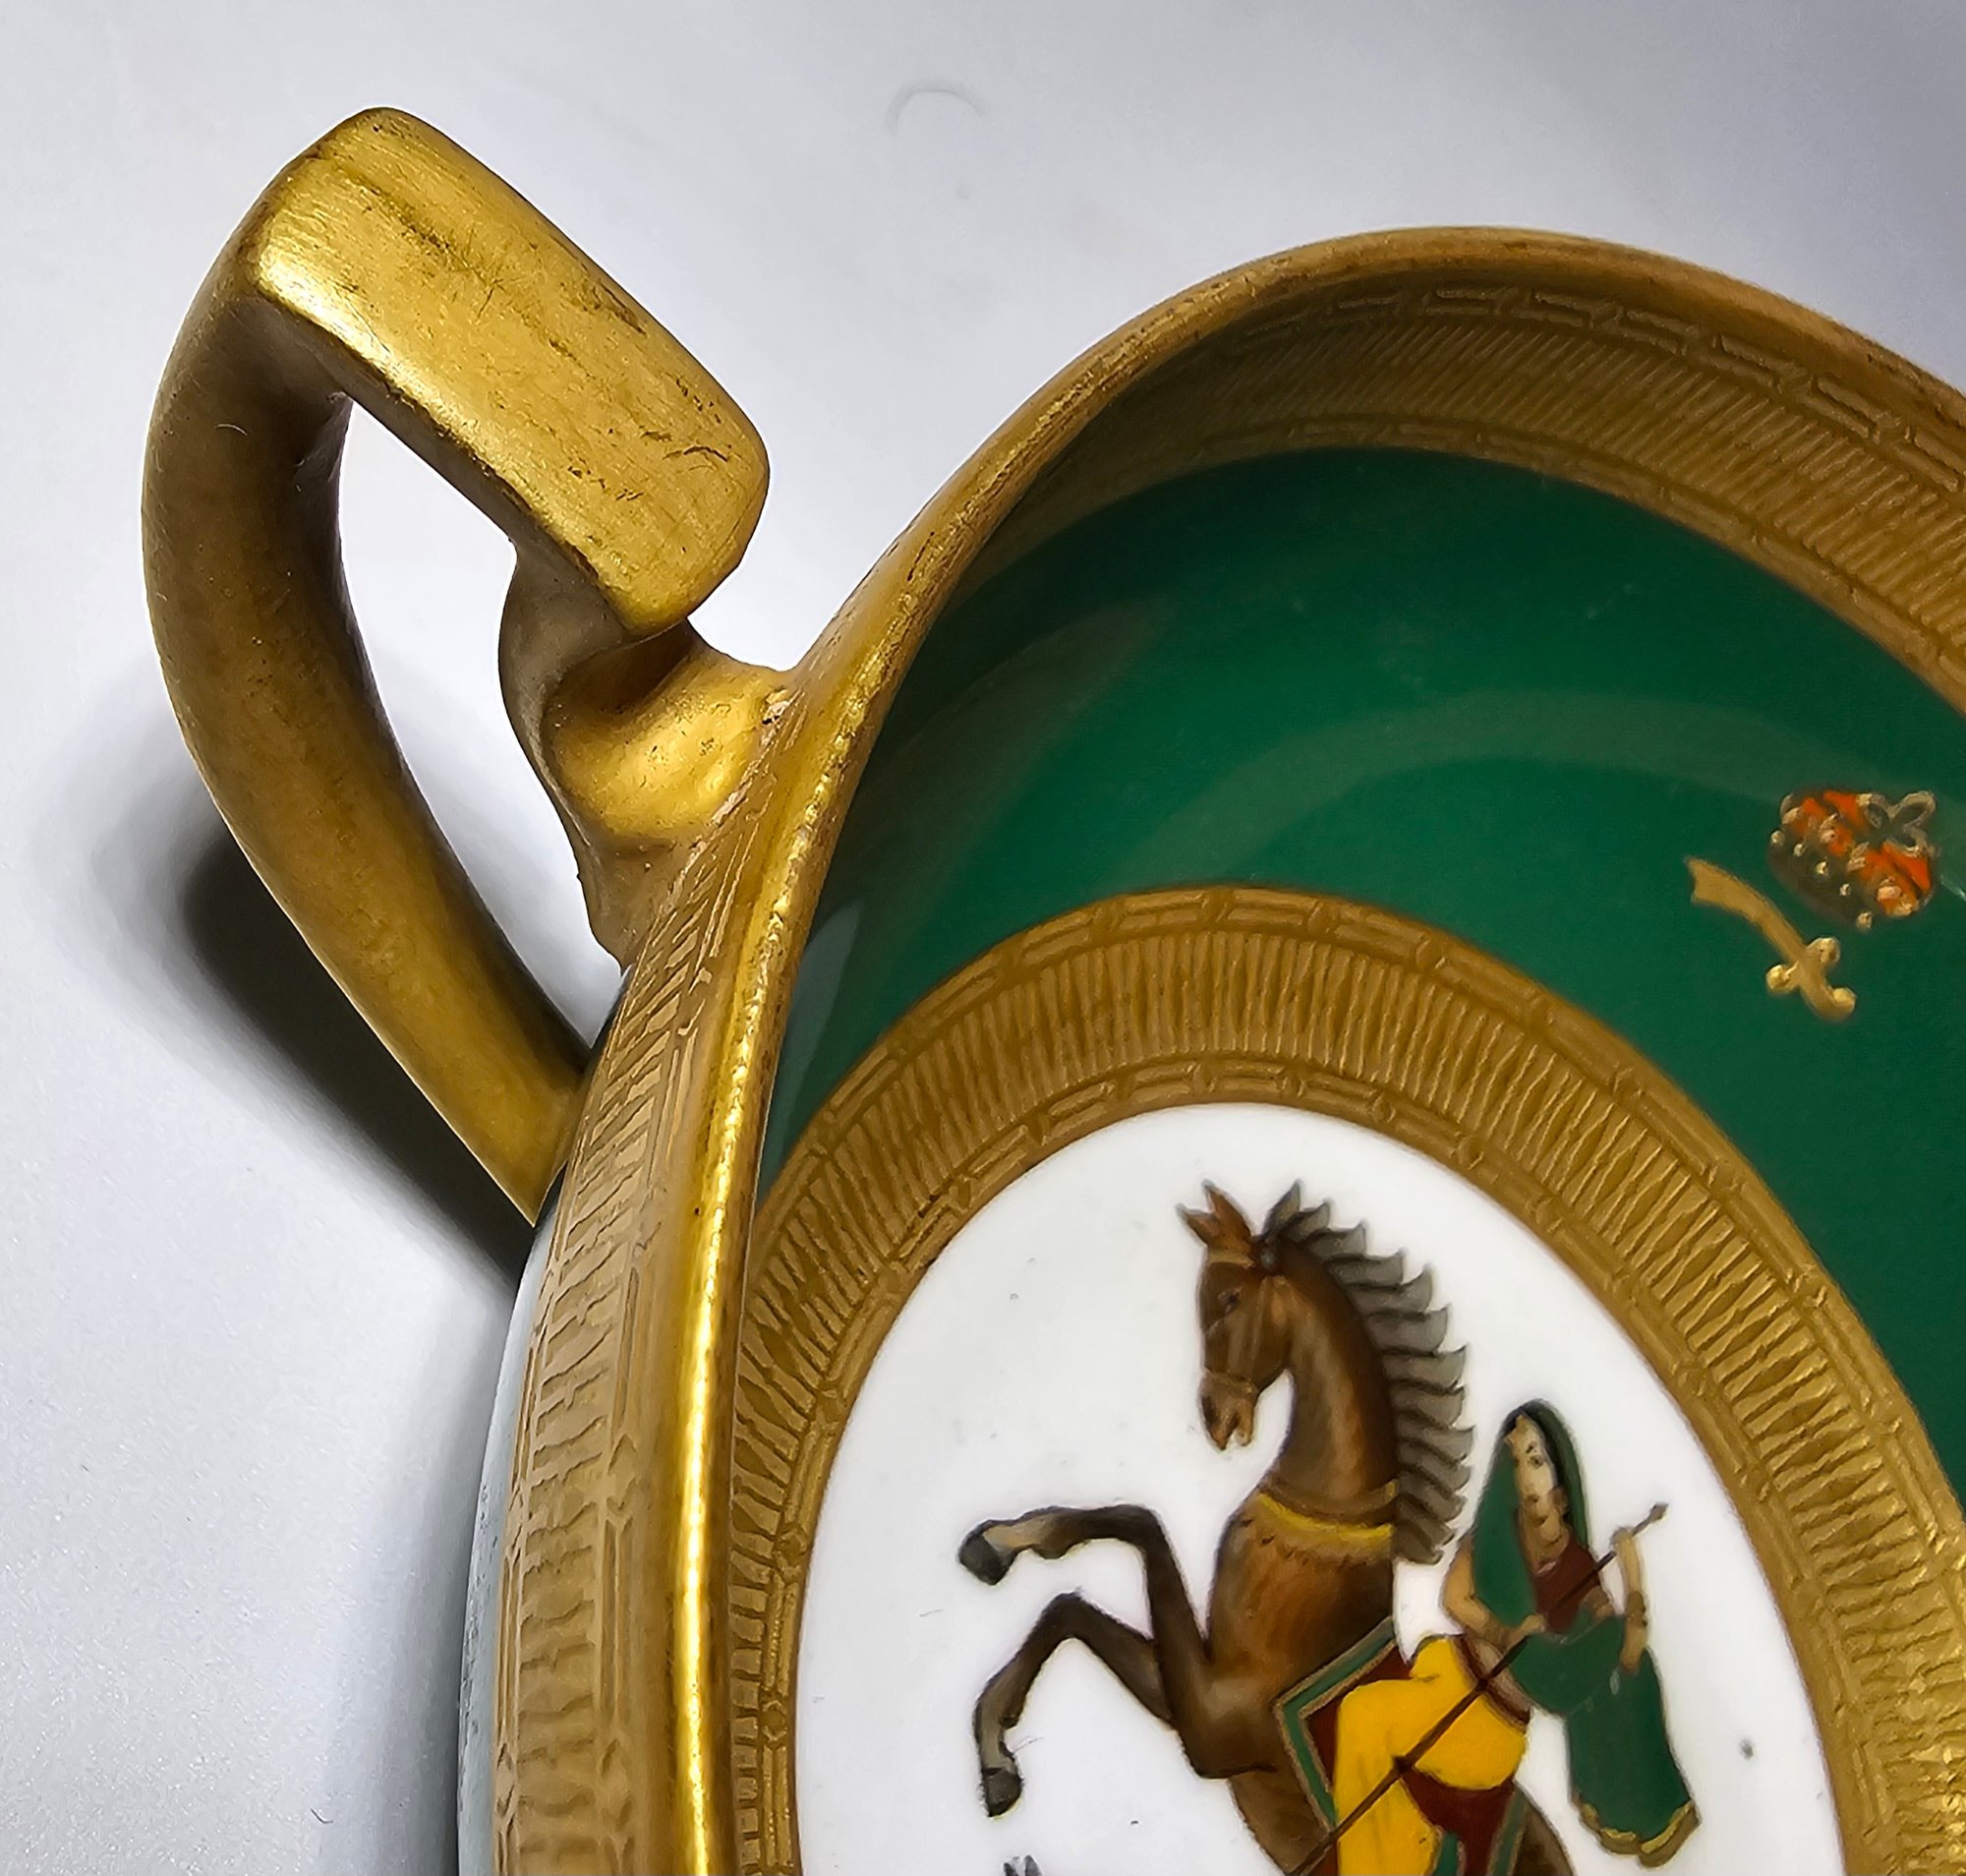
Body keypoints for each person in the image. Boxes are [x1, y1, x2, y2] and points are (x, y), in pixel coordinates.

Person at [1329, 1402, 1697, 1874]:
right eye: (1517, 1459)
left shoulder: (1579, 1573)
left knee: (1361, 1715)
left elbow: (1617, 1655)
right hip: (1444, 1678)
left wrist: (1633, 1575)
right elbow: (1455, 1599)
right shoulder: (1494, 1541)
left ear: (1561, 1487)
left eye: (1536, 1460)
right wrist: (1505, 1632)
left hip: (1489, 1721)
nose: (1525, 1474)